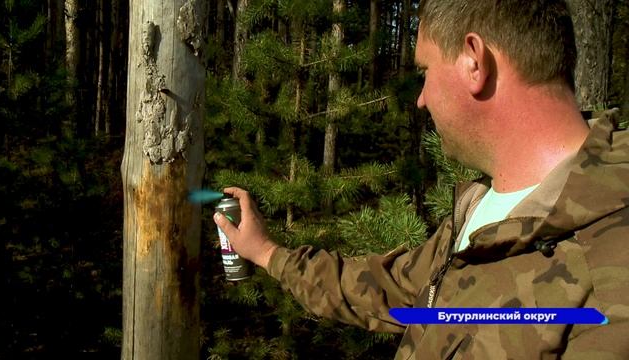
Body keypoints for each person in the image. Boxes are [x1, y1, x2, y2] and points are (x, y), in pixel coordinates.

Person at [214, 0, 629, 358]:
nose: (421, 98)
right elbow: (389, 288)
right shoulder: (482, 211)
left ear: (473, 61)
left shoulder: (611, 276)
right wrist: (267, 253)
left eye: (425, 71)